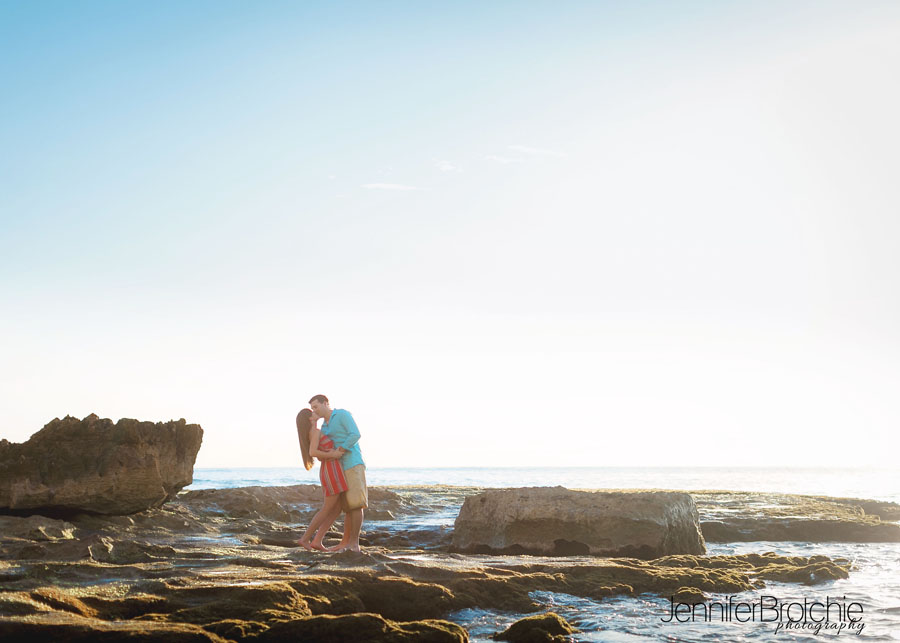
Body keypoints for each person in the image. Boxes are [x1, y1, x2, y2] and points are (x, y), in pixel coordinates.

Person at [309, 394, 367, 552]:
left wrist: (340, 450)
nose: (315, 410)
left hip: (352, 463)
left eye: (316, 406)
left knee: (356, 504)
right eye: (312, 408)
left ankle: (354, 544)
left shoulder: (341, 414)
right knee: (347, 506)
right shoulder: (325, 427)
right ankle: (344, 543)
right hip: (338, 468)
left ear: (325, 403)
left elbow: (355, 434)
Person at [295, 408, 346, 551]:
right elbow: (313, 452)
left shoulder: (314, 432)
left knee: (337, 508)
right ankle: (305, 539)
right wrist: (334, 455)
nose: (315, 413)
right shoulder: (315, 432)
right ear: (309, 419)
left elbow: (317, 454)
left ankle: (317, 541)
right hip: (331, 470)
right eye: (312, 412)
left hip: (331, 468)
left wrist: (327, 453)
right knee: (327, 508)